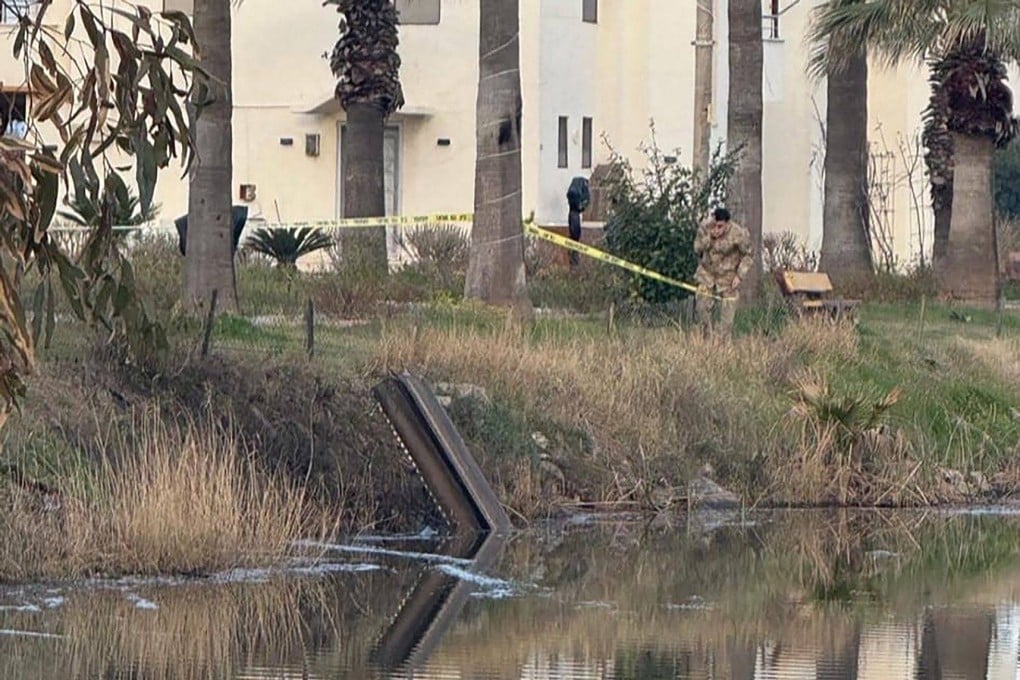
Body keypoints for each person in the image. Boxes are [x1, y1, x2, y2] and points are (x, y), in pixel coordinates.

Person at [694, 207, 752, 337]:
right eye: (714, 225)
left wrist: (739, 275)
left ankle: (722, 344)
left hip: (728, 277)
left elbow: (748, 256)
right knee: (701, 306)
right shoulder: (705, 228)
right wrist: (709, 237)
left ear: (727, 224)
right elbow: (697, 248)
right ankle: (707, 339)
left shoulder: (738, 233)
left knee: (727, 316)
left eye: (720, 226)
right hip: (707, 273)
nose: (717, 229)